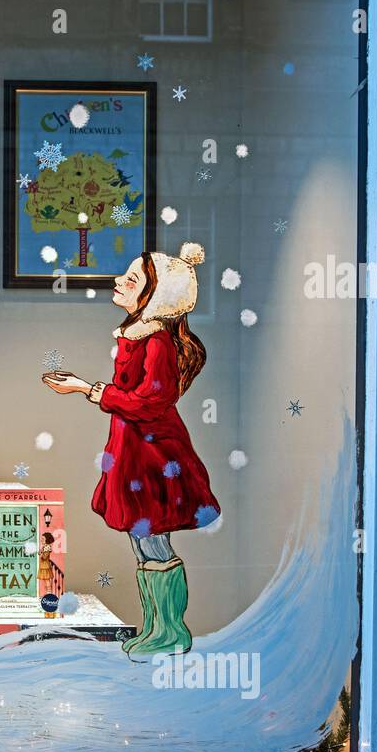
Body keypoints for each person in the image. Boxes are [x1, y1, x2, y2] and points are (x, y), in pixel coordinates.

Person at [42, 243, 220, 660]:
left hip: (155, 459)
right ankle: (155, 627)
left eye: (133, 280)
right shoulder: (137, 338)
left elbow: (148, 402)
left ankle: (171, 631)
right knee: (143, 545)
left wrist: (88, 389)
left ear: (155, 299)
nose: (119, 282)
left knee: (154, 544)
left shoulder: (156, 343)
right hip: (134, 453)